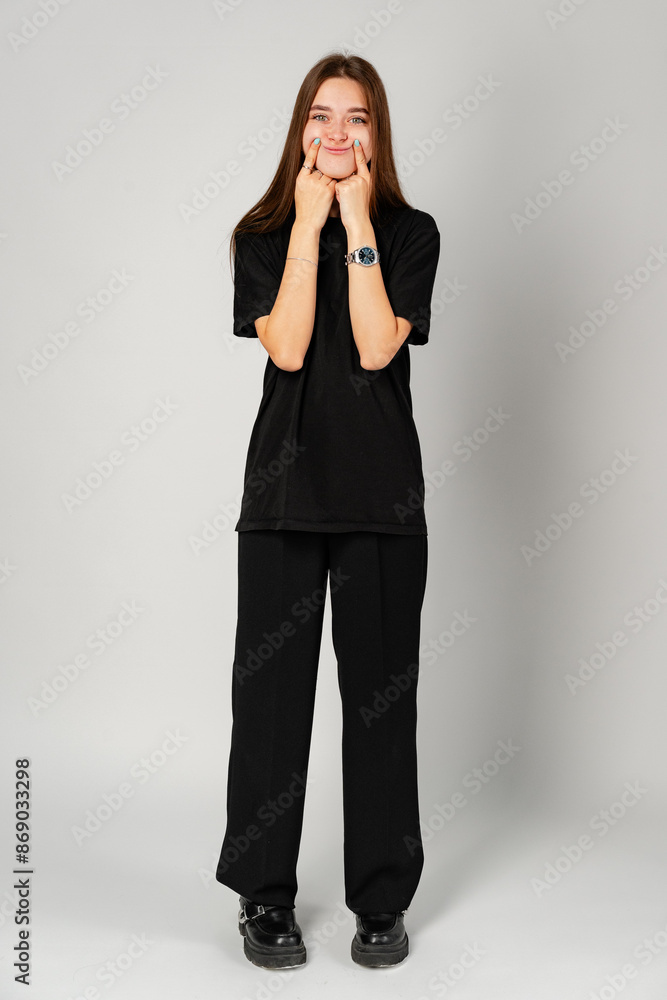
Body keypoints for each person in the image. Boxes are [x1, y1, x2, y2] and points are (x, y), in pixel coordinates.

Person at [215, 51, 440, 970]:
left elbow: (382, 346)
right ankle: (265, 900)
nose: (335, 133)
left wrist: (354, 221)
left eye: (354, 117)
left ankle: (380, 901)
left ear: (376, 134)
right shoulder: (262, 234)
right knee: (270, 706)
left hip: (382, 501)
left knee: (380, 706)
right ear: (300, 128)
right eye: (320, 115)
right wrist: (309, 223)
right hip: (283, 496)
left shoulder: (412, 231)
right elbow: (294, 345)